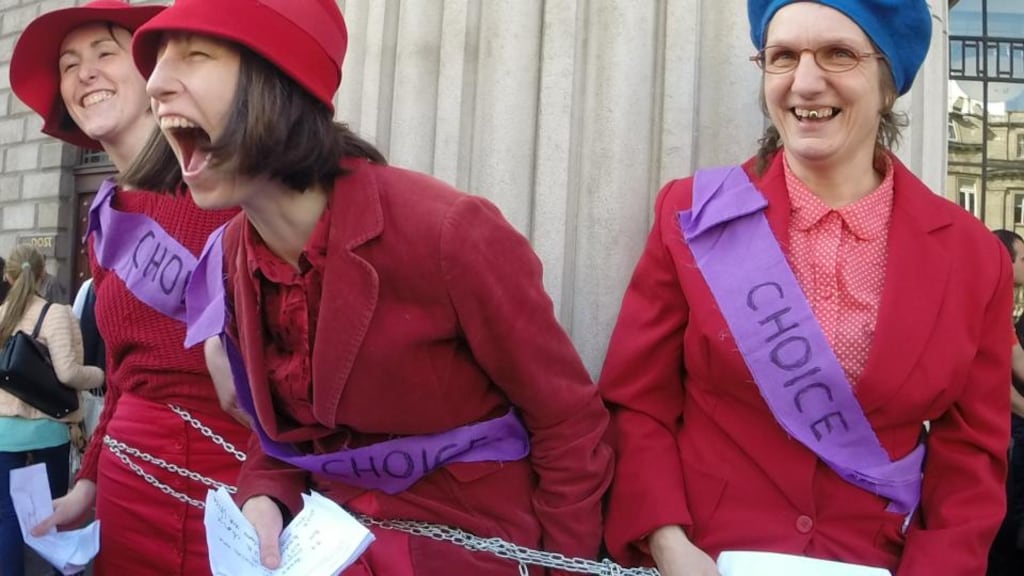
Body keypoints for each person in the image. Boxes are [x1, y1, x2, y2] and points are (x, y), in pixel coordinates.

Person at [126, 0, 613, 573]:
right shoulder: (232, 256)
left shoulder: (449, 232)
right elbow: (284, 437)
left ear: (278, 80)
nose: (154, 84)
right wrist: (263, 496)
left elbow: (568, 422)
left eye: (195, 54)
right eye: (158, 61)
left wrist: (563, 567)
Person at [599, 1, 1011, 575]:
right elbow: (637, 404)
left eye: (839, 54)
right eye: (783, 56)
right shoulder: (695, 214)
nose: (806, 82)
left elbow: (971, 453)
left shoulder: (971, 255)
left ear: (889, 83)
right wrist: (667, 542)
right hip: (704, 558)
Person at [10, 2, 250, 573]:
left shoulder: (229, 194)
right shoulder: (107, 216)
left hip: (230, 492)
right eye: (69, 64)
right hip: (127, 485)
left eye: (104, 53)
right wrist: (89, 483)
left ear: (155, 76)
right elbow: (121, 377)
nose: (83, 73)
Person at [0, 244, 104, 576]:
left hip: (4, 433)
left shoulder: (1, 314)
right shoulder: (57, 313)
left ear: (8, 275)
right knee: (53, 512)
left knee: (7, 516)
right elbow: (69, 373)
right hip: (48, 429)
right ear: (43, 273)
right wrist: (100, 375)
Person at [989, 229, 1024, 575]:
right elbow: (998, 388)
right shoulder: (984, 295)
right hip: (983, 434)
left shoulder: (1003, 303)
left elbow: (1016, 359)